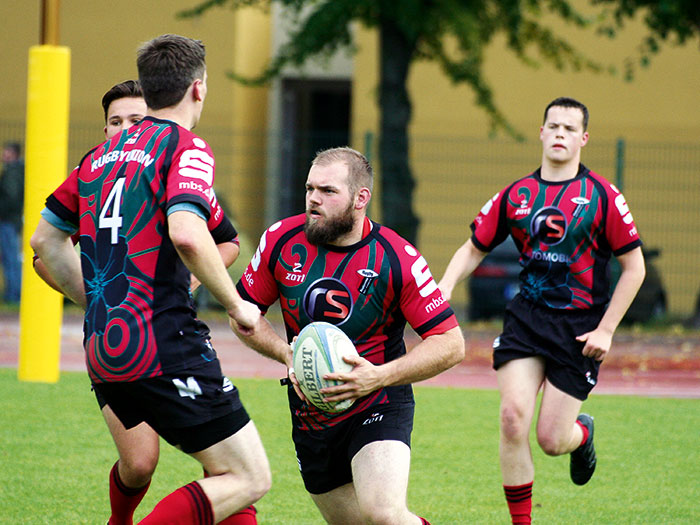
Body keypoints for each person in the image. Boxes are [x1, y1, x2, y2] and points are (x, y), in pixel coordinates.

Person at [30, 34, 270, 525]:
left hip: (105, 346)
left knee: (224, 480)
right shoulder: (187, 147)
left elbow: (44, 242)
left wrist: (99, 300)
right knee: (249, 478)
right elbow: (187, 233)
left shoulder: (99, 157)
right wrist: (237, 304)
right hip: (163, 342)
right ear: (198, 89)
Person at [438, 97, 646, 524]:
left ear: (583, 139)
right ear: (541, 132)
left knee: (552, 439)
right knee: (512, 418)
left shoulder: (603, 196)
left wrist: (606, 330)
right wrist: (441, 288)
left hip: (581, 328)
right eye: (552, 126)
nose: (559, 134)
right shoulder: (517, 194)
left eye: (569, 129)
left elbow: (634, 268)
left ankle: (582, 433)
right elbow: (473, 248)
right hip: (527, 321)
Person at [233, 146, 465, 524]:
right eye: (310, 189)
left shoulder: (396, 257)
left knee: (383, 514)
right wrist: (284, 353)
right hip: (312, 414)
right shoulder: (280, 239)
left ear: (361, 198)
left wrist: (378, 376)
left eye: (327, 191)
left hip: (379, 401)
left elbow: (451, 343)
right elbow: (244, 315)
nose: (313, 199)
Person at [0, 141, 24, 304]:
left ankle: (14, 294)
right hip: (11, 220)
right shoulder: (15, 171)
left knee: (11, 258)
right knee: (10, 257)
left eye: (6, 151)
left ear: (14, 154)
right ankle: (13, 292)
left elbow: (11, 198)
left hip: (8, 220)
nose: (3, 154)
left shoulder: (13, 173)